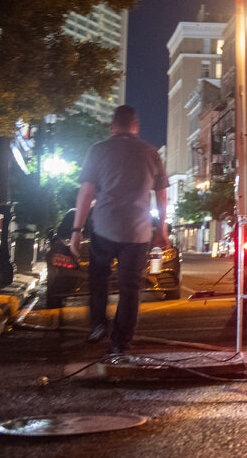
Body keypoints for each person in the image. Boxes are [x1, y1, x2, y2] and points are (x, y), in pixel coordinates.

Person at [70, 105, 169, 355]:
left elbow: (86, 193)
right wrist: (162, 228)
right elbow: (162, 195)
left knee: (98, 278)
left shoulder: (98, 150)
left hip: (104, 227)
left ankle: (98, 324)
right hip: (137, 231)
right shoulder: (151, 153)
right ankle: (121, 342)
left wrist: (76, 230)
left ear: (112, 126)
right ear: (136, 126)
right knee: (130, 288)